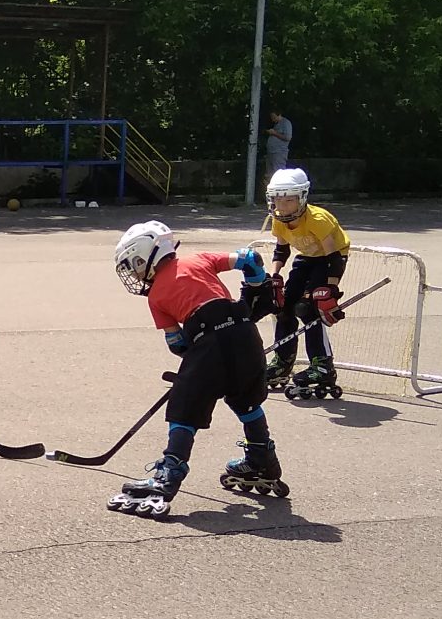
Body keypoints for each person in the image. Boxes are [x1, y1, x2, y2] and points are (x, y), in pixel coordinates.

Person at [107, 220, 282, 517]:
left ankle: (168, 474)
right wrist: (256, 292)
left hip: (208, 341)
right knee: (246, 400)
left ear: (143, 257)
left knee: (185, 406)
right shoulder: (199, 259)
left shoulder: (155, 296)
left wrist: (195, 369)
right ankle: (262, 459)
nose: (135, 274)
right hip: (246, 335)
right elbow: (250, 260)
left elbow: (177, 344)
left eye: (133, 266)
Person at [262, 166, 350, 398]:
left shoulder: (318, 219)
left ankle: (322, 366)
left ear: (301, 198)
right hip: (307, 257)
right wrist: (275, 277)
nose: (282, 207)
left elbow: (333, 256)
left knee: (309, 309)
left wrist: (330, 289)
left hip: (329, 259)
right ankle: (282, 361)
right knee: (283, 308)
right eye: (277, 201)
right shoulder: (278, 220)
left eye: (289, 201)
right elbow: (281, 251)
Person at [263, 106, 294, 177]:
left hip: (279, 153)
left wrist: (274, 133)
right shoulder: (276, 124)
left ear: (279, 115)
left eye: (274, 117)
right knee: (269, 174)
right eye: (271, 117)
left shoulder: (286, 123)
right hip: (271, 153)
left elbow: (288, 137)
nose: (272, 119)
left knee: (279, 174)